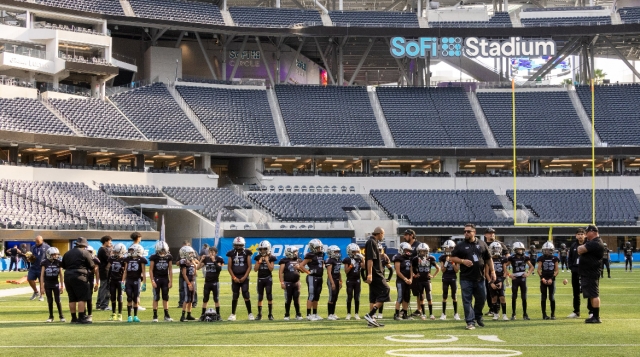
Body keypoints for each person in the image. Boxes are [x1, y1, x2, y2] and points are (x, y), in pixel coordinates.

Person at [450, 223, 495, 330]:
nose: (466, 233)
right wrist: (462, 261)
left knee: (482, 299)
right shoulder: (460, 245)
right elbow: (452, 258)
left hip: (479, 278)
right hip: (466, 278)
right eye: (464, 231)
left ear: (474, 232)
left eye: (468, 231)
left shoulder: (482, 244)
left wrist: (492, 271)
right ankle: (470, 322)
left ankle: (478, 316)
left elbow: (488, 258)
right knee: (467, 301)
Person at [60, 237, 95, 324]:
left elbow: (63, 265)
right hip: (80, 276)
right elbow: (92, 266)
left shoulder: (67, 253)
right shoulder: (85, 252)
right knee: (81, 297)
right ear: (84, 245)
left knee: (72, 298)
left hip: (68, 276)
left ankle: (73, 318)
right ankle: (81, 317)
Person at [364, 226, 391, 328]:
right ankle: (370, 315)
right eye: (382, 234)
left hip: (375, 272)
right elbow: (370, 259)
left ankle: (371, 320)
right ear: (379, 233)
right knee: (386, 290)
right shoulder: (372, 242)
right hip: (376, 273)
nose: (383, 236)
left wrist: (382, 256)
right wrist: (370, 274)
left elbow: (374, 258)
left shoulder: (374, 242)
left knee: (374, 297)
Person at [578, 225, 605, 323]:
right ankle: (594, 315)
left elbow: (580, 249)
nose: (585, 234)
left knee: (594, 294)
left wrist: (582, 247)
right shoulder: (592, 242)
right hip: (588, 272)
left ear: (593, 232)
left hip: (591, 272)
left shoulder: (596, 242)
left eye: (587, 231)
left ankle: (596, 317)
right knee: (591, 294)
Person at [226, 236, 254, 321]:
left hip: (244, 276)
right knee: (235, 295)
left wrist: (244, 277)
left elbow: (249, 266)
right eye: (236, 245)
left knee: (246, 294)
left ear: (243, 245)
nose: (238, 247)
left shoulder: (247, 253)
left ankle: (250, 313)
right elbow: (229, 267)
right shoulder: (231, 253)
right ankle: (233, 314)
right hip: (235, 277)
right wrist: (234, 277)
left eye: (240, 245)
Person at [505, 242, 534, 321]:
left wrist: (528, 273)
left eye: (521, 249)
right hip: (515, 279)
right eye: (518, 249)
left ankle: (525, 314)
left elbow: (531, 267)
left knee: (524, 297)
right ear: (515, 250)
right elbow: (504, 266)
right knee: (514, 297)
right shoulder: (511, 258)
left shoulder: (525, 257)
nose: (520, 251)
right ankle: (513, 314)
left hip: (522, 279)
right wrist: (509, 275)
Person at [298, 239, 325, 321]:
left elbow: (322, 263)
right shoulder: (309, 255)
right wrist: (308, 272)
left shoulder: (321, 254)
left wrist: (321, 268)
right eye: (317, 247)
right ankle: (308, 314)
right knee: (311, 295)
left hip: (320, 277)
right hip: (312, 277)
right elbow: (301, 266)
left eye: (320, 247)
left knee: (317, 296)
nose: (319, 249)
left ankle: (315, 314)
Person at [483, 228, 508, 316]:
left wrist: (504, 264)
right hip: (487, 270)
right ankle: (492, 309)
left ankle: (497, 310)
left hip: (499, 271)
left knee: (500, 292)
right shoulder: (483, 244)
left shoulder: (500, 244)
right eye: (489, 233)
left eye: (493, 233)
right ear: (485, 235)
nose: (492, 235)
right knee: (489, 290)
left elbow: (507, 254)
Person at [412, 243, 439, 320]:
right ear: (418, 251)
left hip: (427, 281)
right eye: (421, 251)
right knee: (421, 297)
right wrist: (414, 274)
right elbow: (411, 268)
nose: (422, 253)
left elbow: (438, 268)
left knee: (429, 297)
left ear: (427, 251)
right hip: (419, 281)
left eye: (424, 251)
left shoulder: (430, 258)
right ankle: (423, 314)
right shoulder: (415, 259)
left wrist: (433, 276)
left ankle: (431, 314)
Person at [122, 243, 147, 323]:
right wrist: (122, 281)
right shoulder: (128, 259)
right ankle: (129, 316)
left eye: (132, 250)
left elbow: (143, 272)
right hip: (129, 280)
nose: (130, 252)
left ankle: (135, 316)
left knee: (135, 299)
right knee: (129, 298)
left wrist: (144, 283)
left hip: (137, 280)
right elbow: (125, 271)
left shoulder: (141, 260)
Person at [149, 241, 173, 322]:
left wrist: (171, 281)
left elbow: (170, 270)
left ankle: (166, 315)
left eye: (164, 250)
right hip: (157, 279)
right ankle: (155, 316)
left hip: (165, 279)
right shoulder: (154, 257)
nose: (162, 252)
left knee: (165, 297)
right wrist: (152, 280)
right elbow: (151, 270)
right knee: (156, 297)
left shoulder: (169, 257)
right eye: (161, 250)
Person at [198, 246, 224, 320]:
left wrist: (214, 261)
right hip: (207, 282)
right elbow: (198, 268)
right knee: (205, 299)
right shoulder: (206, 259)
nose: (211, 253)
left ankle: (218, 315)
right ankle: (202, 315)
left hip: (215, 282)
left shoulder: (218, 259)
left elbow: (219, 269)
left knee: (216, 299)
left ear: (216, 253)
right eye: (210, 252)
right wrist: (201, 260)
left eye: (212, 252)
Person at [565, 228, 586, 318]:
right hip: (575, 272)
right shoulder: (573, 245)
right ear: (576, 235)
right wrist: (571, 267)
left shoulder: (588, 244)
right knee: (576, 292)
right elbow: (570, 258)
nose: (580, 235)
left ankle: (591, 312)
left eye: (582, 234)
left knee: (588, 292)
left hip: (585, 272)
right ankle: (576, 312)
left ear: (585, 235)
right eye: (579, 234)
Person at [40, 247, 65, 322]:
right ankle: (51, 316)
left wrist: (62, 285)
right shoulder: (44, 262)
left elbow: (61, 274)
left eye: (56, 254)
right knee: (49, 300)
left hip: (55, 283)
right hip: (47, 284)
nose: (55, 256)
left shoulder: (58, 262)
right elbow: (42, 275)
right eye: (54, 254)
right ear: (49, 254)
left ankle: (61, 316)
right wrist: (41, 287)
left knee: (58, 300)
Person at [254, 240, 277, 321]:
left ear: (268, 248)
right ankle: (259, 314)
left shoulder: (271, 257)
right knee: (260, 297)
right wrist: (259, 262)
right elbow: (255, 269)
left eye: (264, 249)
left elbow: (271, 269)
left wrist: (267, 260)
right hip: (260, 279)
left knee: (269, 296)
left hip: (268, 278)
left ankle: (270, 314)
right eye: (261, 249)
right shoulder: (258, 257)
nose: (262, 251)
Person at [279, 246, 303, 320]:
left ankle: (298, 314)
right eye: (295, 252)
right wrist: (282, 283)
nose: (296, 253)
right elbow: (280, 273)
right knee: (288, 299)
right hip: (287, 282)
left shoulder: (298, 260)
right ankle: (287, 314)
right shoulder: (284, 261)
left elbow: (303, 271)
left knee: (296, 298)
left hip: (296, 283)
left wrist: (299, 268)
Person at [537, 242, 559, 320]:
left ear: (552, 250)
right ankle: (544, 314)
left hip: (551, 279)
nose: (547, 251)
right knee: (543, 297)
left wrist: (551, 279)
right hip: (543, 279)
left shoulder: (555, 258)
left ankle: (553, 314)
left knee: (552, 297)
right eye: (545, 250)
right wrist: (542, 278)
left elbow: (556, 270)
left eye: (548, 250)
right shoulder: (541, 258)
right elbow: (539, 270)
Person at [439, 240, 460, 321]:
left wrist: (453, 262)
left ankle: (456, 313)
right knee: (445, 296)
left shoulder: (456, 257)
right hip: (445, 278)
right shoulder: (442, 258)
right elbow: (443, 270)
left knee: (454, 296)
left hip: (453, 278)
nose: (448, 250)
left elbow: (456, 270)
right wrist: (447, 262)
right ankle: (443, 313)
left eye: (450, 249)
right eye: (446, 249)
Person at [343, 243, 365, 320]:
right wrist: (351, 266)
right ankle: (348, 313)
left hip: (357, 280)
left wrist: (363, 259)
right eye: (353, 252)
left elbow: (364, 267)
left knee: (357, 297)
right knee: (349, 297)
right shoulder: (347, 259)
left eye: (356, 251)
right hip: (350, 280)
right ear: (350, 252)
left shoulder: (359, 258)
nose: (355, 253)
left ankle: (356, 313)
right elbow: (346, 271)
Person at [393, 242, 413, 320]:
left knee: (407, 298)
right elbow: (398, 271)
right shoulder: (398, 258)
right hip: (401, 281)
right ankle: (396, 315)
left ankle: (405, 314)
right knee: (400, 298)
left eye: (408, 250)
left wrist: (411, 279)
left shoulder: (409, 258)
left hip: (408, 281)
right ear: (401, 250)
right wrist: (405, 279)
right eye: (406, 250)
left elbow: (411, 270)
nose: (407, 252)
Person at [488, 242, 508, 321]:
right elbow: (486, 273)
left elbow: (505, 271)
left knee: (502, 297)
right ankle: (496, 314)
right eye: (495, 248)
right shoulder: (489, 259)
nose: (496, 250)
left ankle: (504, 315)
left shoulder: (502, 259)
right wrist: (490, 282)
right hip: (492, 281)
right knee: (494, 298)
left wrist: (502, 281)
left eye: (498, 248)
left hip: (500, 280)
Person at [107, 243, 126, 321]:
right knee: (113, 297)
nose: (114, 253)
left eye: (116, 252)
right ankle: (113, 313)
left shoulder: (124, 260)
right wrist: (108, 279)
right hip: (113, 280)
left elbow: (125, 271)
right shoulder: (111, 259)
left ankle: (120, 314)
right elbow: (109, 270)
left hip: (120, 281)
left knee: (120, 297)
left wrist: (124, 280)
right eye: (114, 251)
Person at [28, 236, 50, 301]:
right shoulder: (33, 247)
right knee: (29, 279)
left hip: (42, 267)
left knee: (42, 282)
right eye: (36, 241)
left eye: (38, 241)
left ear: (42, 240)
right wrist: (29, 258)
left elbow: (49, 257)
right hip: (34, 266)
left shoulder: (47, 247)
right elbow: (31, 257)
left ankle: (41, 295)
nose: (37, 243)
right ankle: (36, 292)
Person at [179, 246, 198, 322]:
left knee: (191, 299)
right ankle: (182, 316)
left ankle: (189, 314)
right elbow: (184, 274)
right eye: (189, 253)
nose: (191, 254)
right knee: (186, 299)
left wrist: (195, 264)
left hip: (192, 281)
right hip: (187, 282)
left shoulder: (192, 261)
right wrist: (189, 284)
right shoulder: (184, 262)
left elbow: (195, 273)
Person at [325, 245, 342, 320]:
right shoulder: (330, 260)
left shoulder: (338, 260)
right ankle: (329, 314)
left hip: (337, 279)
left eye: (338, 251)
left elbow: (339, 271)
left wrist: (340, 280)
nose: (337, 253)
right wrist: (332, 282)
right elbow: (329, 272)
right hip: (332, 279)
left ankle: (333, 313)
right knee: (332, 296)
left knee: (335, 297)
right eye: (335, 252)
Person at [96, 236, 112, 311]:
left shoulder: (102, 249)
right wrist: (112, 251)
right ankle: (104, 305)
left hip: (103, 270)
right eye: (109, 241)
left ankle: (99, 304)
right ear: (105, 241)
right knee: (105, 288)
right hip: (105, 270)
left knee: (102, 287)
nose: (110, 243)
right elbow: (109, 259)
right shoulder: (103, 249)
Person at [377, 243, 393, 319]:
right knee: (374, 297)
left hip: (381, 279)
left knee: (381, 296)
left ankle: (380, 313)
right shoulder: (371, 258)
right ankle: (373, 313)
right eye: (378, 250)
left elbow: (391, 269)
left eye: (380, 250)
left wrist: (388, 278)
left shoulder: (384, 257)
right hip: (374, 279)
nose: (379, 252)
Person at [85, 246, 100, 321]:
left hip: (90, 279)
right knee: (82, 298)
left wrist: (97, 283)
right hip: (82, 279)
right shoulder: (82, 259)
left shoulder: (95, 260)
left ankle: (89, 314)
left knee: (89, 298)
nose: (89, 253)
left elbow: (96, 272)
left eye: (90, 252)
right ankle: (83, 314)